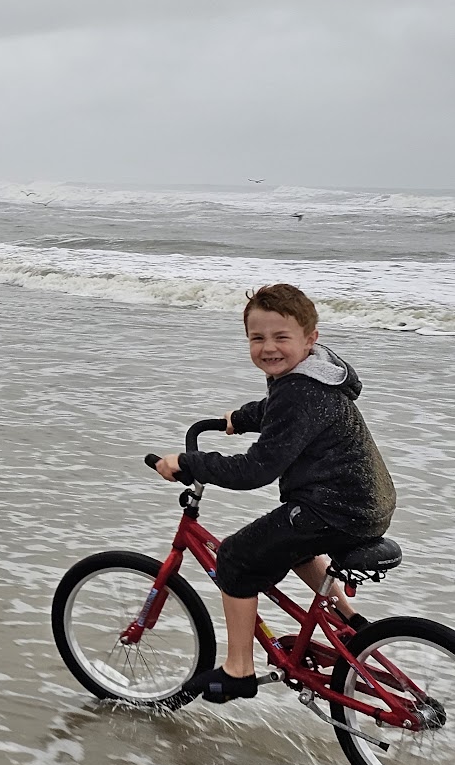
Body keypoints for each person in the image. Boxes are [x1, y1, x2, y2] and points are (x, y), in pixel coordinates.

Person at [153, 283, 396, 703]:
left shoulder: (299, 391)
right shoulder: (316, 374)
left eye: (281, 337)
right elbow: (278, 409)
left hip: (333, 508)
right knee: (294, 546)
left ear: (310, 339)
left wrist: (189, 462)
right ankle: (351, 624)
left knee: (235, 558)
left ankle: (238, 671)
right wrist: (241, 418)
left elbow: (255, 470)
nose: (269, 348)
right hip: (366, 503)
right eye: (257, 338)